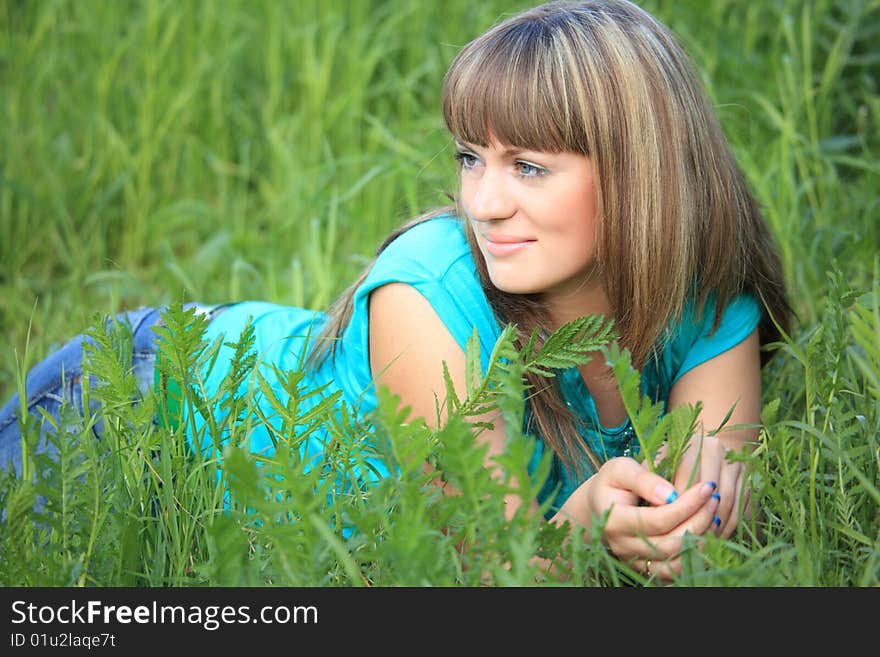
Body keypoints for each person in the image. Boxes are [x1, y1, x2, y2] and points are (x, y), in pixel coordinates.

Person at [0, 0, 791, 581]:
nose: (483, 201)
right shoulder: (429, 293)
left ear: (638, 174)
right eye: (471, 157)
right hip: (132, 406)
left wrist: (689, 525)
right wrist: (581, 534)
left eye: (529, 167)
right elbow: (484, 570)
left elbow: (719, 524)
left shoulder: (712, 301)